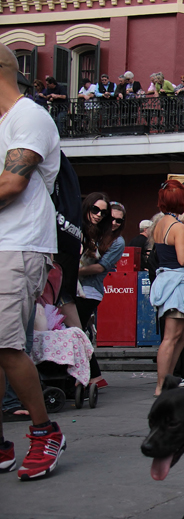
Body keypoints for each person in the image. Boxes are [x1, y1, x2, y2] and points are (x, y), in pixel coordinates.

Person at [0, 42, 66, 480]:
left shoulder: (29, 116)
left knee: (6, 345)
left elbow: (11, 183)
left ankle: (45, 432)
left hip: (18, 243)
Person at [149, 180, 184, 396]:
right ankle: (162, 385)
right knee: (172, 337)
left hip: (169, 281)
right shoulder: (178, 227)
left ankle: (167, 380)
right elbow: (183, 259)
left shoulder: (160, 224)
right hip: (178, 284)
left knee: (183, 335)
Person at [76, 193, 124, 388]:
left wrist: (73, 270)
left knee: (76, 331)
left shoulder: (117, 242)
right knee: (76, 331)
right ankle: (92, 376)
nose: (113, 222)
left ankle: (92, 375)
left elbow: (101, 267)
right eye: (109, 217)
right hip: (73, 287)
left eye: (119, 221)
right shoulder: (90, 231)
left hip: (89, 290)